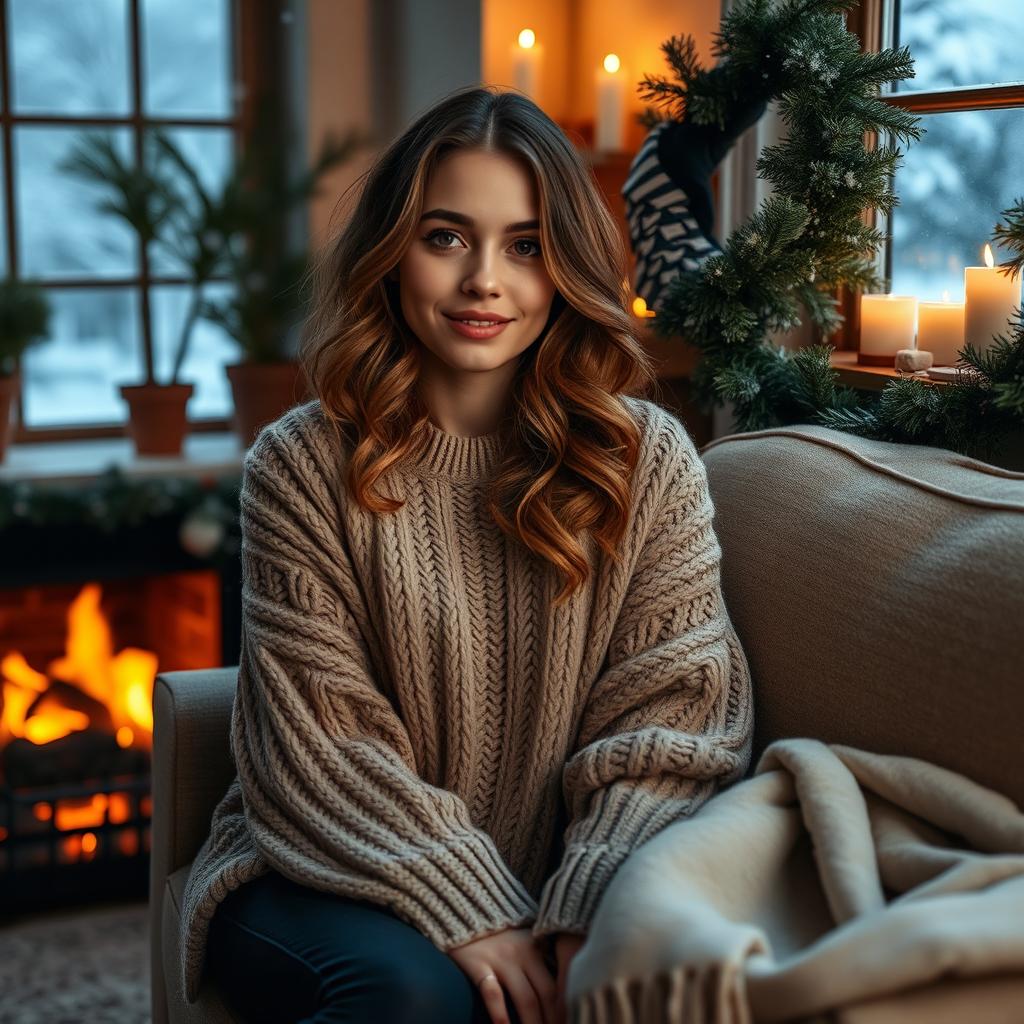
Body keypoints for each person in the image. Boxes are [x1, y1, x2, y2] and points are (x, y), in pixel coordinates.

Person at [179, 84, 754, 1024]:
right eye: (446, 237)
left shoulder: (645, 461)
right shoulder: (300, 463)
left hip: (564, 870)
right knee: (417, 995)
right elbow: (322, 737)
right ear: (392, 252)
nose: (485, 280)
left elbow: (673, 714)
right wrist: (464, 898)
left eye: (525, 246)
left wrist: (592, 902)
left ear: (565, 267)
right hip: (327, 858)